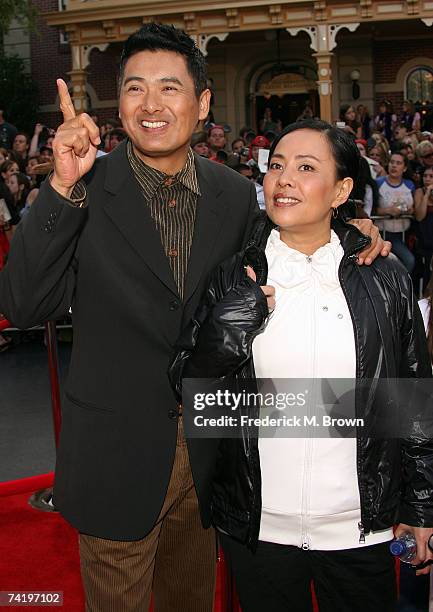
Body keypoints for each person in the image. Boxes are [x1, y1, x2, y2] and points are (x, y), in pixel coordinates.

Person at [0, 24, 388, 612]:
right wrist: (58, 184)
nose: (151, 105)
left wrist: (353, 233)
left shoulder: (235, 195)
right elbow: (23, 305)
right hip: (115, 453)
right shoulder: (83, 187)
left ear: (203, 103)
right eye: (135, 88)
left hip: (213, 452)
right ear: (119, 103)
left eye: (169, 87)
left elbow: (288, 244)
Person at [170, 119, 433, 612]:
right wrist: (230, 329)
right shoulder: (234, 274)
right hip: (260, 526)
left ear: (342, 190)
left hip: (360, 529)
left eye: (306, 168)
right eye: (276, 167)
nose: (284, 179)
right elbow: (189, 390)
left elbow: (413, 400)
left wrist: (420, 504)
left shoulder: (385, 278)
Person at [375, 151, 416, 273]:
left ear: (404, 168)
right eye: (392, 162)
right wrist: (388, 211)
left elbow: (414, 208)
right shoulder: (378, 183)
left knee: (409, 261)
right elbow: (370, 209)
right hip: (382, 233)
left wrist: (410, 210)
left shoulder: (410, 185)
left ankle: (399, 289)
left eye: (398, 163)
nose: (394, 166)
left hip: (402, 235)